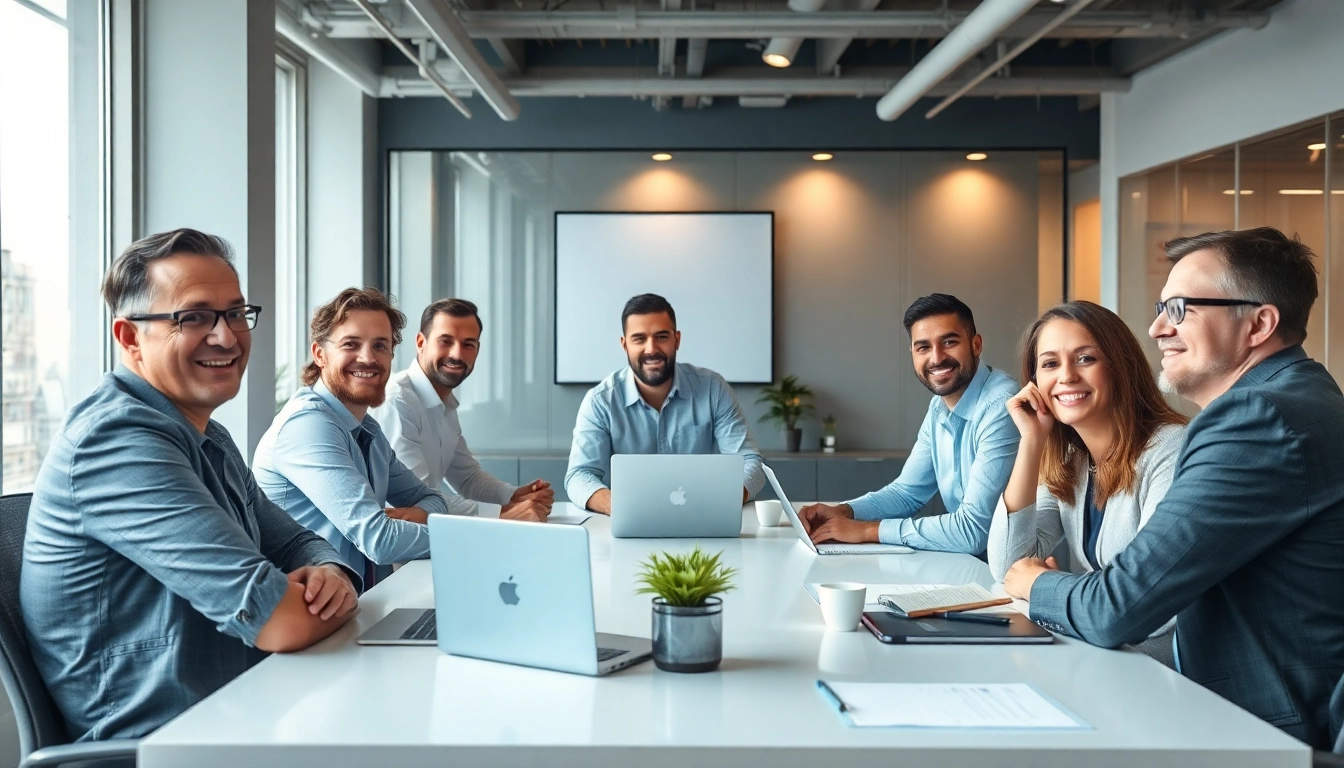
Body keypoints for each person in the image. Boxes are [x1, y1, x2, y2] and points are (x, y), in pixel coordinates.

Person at [1004, 227, 1344, 750]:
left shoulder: (1256, 419)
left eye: (1181, 308)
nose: (1158, 327)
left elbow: (1117, 606)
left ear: (1259, 323)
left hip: (1267, 731)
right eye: (1162, 307)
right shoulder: (1297, 396)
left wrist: (1032, 582)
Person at [21, 229, 359, 742]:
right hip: (163, 745)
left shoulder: (207, 435)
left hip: (244, 712)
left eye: (235, 313)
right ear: (131, 338)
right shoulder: (116, 443)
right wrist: (311, 596)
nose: (226, 336)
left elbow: (296, 543)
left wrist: (332, 571)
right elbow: (280, 622)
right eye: (193, 317)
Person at [987, 301, 1186, 664]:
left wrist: (1045, 585)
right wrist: (1032, 442)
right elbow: (1008, 566)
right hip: (1108, 658)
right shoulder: (1073, 461)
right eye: (1049, 364)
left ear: (1119, 366)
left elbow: (1154, 607)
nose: (1066, 377)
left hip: (1172, 676)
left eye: (1085, 359)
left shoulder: (1170, 450)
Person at [253, 288, 463, 592]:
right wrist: (468, 538)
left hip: (365, 608)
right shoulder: (307, 425)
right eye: (351, 344)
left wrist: (416, 514)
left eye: (381, 345)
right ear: (320, 354)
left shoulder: (367, 431)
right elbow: (380, 541)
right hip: (313, 620)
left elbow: (434, 499)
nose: (368, 358)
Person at [798, 294, 1019, 554]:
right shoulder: (939, 405)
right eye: (923, 347)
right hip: (966, 565)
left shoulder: (1001, 407)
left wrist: (868, 531)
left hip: (1012, 574)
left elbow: (973, 532)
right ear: (913, 353)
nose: (936, 358)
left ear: (976, 344)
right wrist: (843, 511)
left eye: (949, 342)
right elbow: (907, 493)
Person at [565, 293, 764, 514]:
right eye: (639, 339)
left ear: (676, 339)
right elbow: (579, 476)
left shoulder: (712, 389)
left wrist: (715, 502)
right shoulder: (600, 401)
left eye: (661, 337)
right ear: (624, 345)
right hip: (631, 521)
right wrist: (623, 506)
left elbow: (750, 463)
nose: (651, 349)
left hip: (702, 519)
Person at [370, 298, 553, 520]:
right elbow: (416, 497)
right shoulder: (397, 401)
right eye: (445, 341)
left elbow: (468, 478)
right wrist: (502, 513)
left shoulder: (444, 402)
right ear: (420, 343)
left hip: (429, 535)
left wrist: (514, 495)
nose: (457, 354)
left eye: (468, 344)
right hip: (399, 544)